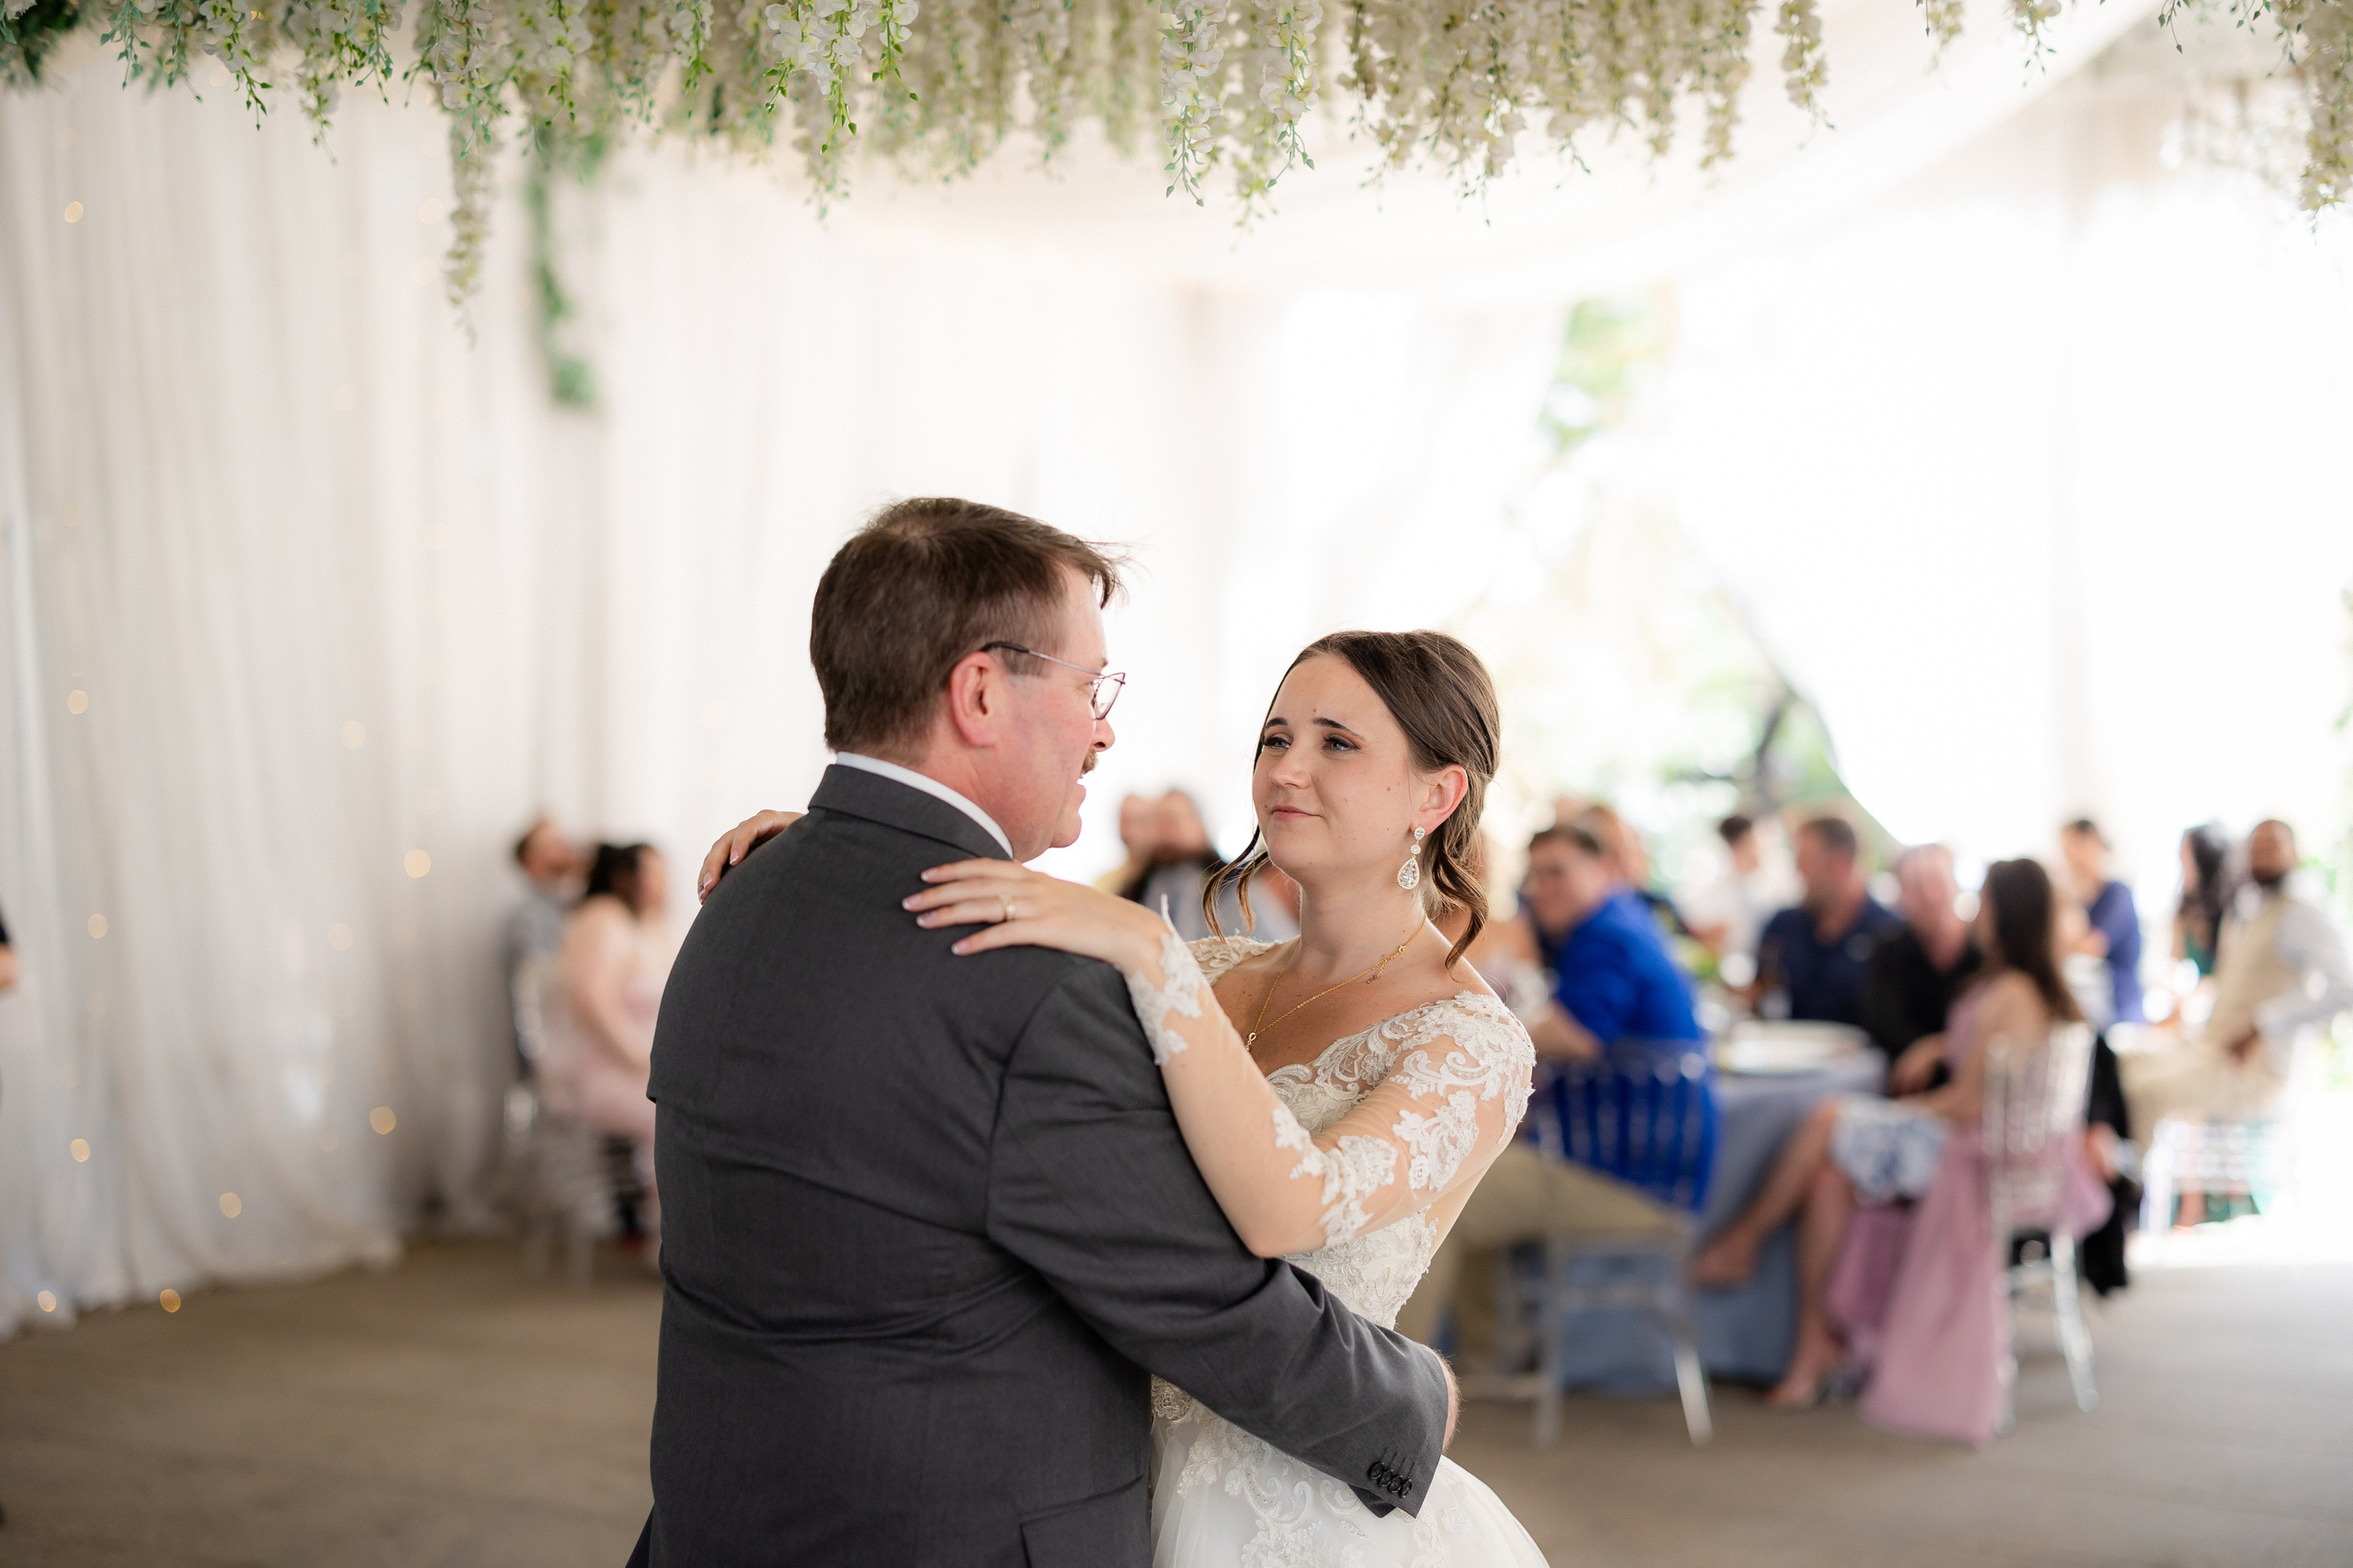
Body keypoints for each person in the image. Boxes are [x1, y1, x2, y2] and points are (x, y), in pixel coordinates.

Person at [646, 502, 1462, 1568]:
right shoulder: (1030, 981)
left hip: (726, 1506)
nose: (1104, 727)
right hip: (945, 1526)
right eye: (1091, 687)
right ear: (981, 691)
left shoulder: (747, 888)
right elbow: (1197, 1297)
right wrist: (1417, 1397)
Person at [896, 628, 1547, 1564]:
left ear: (1435, 794)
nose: (1287, 769)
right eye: (1275, 738)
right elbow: (986, 983)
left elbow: (1296, 1206)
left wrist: (1153, 952)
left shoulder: (1467, 1039)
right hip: (1095, 1450)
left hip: (1290, 1493)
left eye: (1337, 743)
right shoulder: (1207, 969)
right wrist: (846, 852)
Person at [1690, 858, 2081, 1405]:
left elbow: (1970, 1103)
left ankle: (1742, 1239)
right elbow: (1990, 1063)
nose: (1977, 912)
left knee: (1828, 1117)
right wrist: (1941, 1046)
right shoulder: (2022, 989)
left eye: (1984, 901)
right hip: (1973, 1148)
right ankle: (1816, 1349)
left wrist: (1915, 1109)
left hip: (1968, 1158)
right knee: (1827, 1178)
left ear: (2005, 912)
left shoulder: (2011, 992)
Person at [1392, 822, 1689, 1364]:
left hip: (1626, 1175)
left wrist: (1461, 1042)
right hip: (1619, 1158)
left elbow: (1575, 1035)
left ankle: (1382, 1384)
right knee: (1467, 1170)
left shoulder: (1608, 936)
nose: (1540, 886)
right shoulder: (1606, 925)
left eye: (1559, 872)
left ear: (1606, 871)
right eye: (1535, 873)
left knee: (1429, 1193)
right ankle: (1488, 1363)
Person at [2123, 819, 2353, 1139]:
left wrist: (2264, 1025)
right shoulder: (2250, 908)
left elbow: (2345, 989)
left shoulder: (2302, 911)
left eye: (2272, 846)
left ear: (2294, 853)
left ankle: (2129, 1187)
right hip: (2211, 1048)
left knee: (2145, 1094)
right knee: (2122, 1064)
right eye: (2255, 846)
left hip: (2254, 1072)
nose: (2261, 855)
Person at [541, 844, 673, 1171]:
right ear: (624, 877)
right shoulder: (603, 917)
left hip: (647, 1071)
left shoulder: (650, 926)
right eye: (651, 873)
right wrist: (644, 1060)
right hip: (607, 1072)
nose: (661, 882)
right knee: (677, 1118)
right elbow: (590, 1001)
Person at [1754, 814, 1904, 1028]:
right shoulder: (1783, 926)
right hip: (1788, 1051)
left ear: (1839, 863)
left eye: (1805, 861)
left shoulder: (1890, 934)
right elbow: (1759, 994)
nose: (1798, 871)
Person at [1858, 845, 1982, 1081]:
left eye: (1937, 882)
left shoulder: (1985, 952)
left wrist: (1938, 1048)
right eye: (1916, 887)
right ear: (1901, 895)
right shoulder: (1888, 950)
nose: (1929, 897)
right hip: (1908, 1089)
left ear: (1955, 885)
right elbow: (1881, 1024)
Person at [504, 816, 579, 1072]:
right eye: (552, 845)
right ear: (530, 862)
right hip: (561, 1053)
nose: (565, 849)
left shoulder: (584, 903)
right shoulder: (525, 921)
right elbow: (533, 998)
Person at [2061, 818, 2143, 1028]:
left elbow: (2092, 947)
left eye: (2071, 847)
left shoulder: (2118, 895)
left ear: (2092, 843)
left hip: (2120, 1010)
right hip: (2091, 1004)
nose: (2067, 857)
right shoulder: (2078, 898)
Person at [2174, 822, 2233, 978]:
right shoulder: (2184, 911)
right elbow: (2175, 962)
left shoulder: (2232, 913)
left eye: (2185, 857)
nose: (2181, 866)